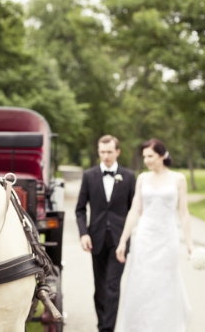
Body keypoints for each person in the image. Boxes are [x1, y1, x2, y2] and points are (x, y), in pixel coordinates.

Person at [116, 138, 194, 332]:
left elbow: (183, 213)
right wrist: (123, 240)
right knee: (141, 282)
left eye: (150, 156)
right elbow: (135, 210)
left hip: (168, 238)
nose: (147, 160)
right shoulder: (142, 178)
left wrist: (190, 244)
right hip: (144, 237)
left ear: (161, 155)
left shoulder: (179, 179)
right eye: (144, 157)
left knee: (166, 283)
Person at [75, 135, 135, 332]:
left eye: (109, 152)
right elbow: (80, 209)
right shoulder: (89, 176)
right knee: (100, 289)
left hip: (120, 241)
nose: (106, 156)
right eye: (102, 152)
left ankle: (107, 329)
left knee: (112, 287)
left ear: (117, 152)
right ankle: (103, 325)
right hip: (96, 240)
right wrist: (84, 233)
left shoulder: (128, 176)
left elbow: (134, 210)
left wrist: (128, 238)